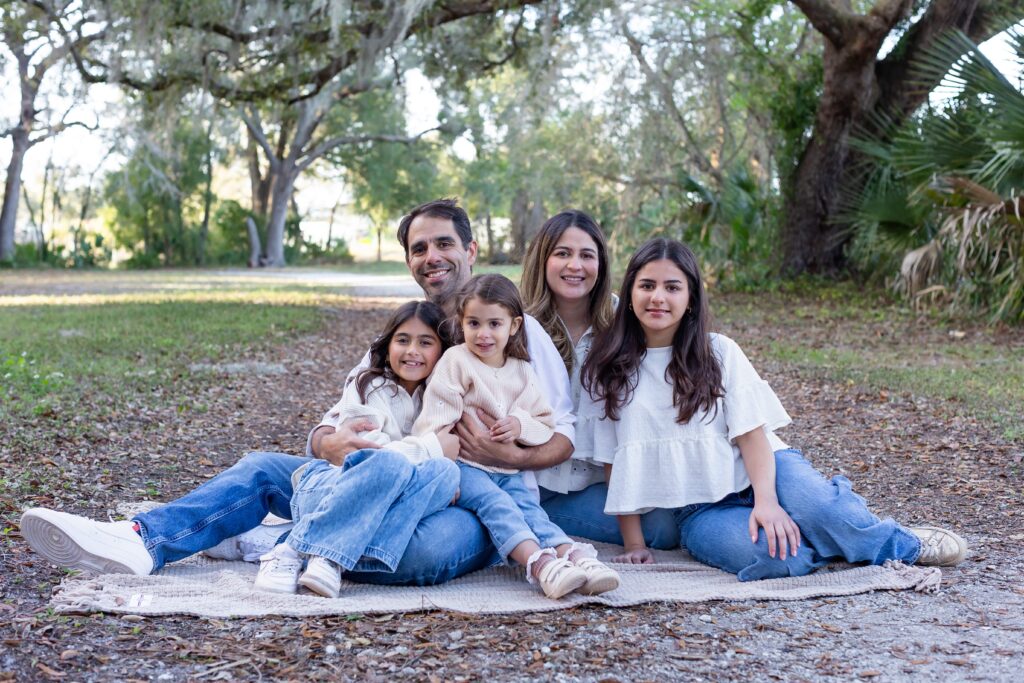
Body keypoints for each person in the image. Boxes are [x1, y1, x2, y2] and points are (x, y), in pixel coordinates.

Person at [19, 199, 578, 587]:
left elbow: (563, 437)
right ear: (409, 261)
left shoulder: (517, 335)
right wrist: (329, 442)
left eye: (444, 243)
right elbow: (334, 420)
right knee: (264, 467)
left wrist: (512, 453)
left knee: (422, 553)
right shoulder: (406, 338)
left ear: (471, 250)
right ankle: (142, 542)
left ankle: (275, 542)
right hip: (374, 477)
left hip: (473, 501)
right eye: (418, 247)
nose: (432, 256)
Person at [574, 237, 967, 577]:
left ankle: (901, 544)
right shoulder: (608, 368)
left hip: (766, 469)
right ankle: (829, 537)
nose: (658, 297)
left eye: (672, 287)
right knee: (782, 559)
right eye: (647, 285)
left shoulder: (718, 351)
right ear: (629, 295)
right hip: (699, 510)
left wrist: (767, 501)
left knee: (824, 511)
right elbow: (615, 462)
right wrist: (634, 542)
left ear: (691, 298)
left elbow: (750, 431)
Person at [412, 274, 619, 598]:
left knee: (529, 508)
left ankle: (573, 555)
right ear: (461, 323)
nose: (483, 334)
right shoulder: (456, 361)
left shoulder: (521, 369)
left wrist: (520, 425)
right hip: (465, 467)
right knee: (497, 505)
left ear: (514, 325)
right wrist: (442, 471)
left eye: (494, 323)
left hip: (508, 470)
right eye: (474, 323)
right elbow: (435, 420)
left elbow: (544, 422)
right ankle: (538, 564)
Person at [254, 300, 460, 597]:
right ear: (388, 346)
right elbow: (369, 455)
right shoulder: (367, 386)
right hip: (334, 488)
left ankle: (322, 553)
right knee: (393, 465)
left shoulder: (442, 397)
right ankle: (291, 550)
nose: (412, 350)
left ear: (442, 352)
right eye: (403, 340)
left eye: (425, 342)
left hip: (383, 504)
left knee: (446, 473)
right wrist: (431, 447)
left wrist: (435, 460)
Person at [520, 210, 679, 549]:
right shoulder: (519, 326)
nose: (574, 266)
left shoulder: (626, 320)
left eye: (586, 255)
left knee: (666, 524)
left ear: (601, 264)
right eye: (562, 253)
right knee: (661, 532)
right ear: (542, 260)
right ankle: (529, 517)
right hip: (538, 480)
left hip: (603, 479)